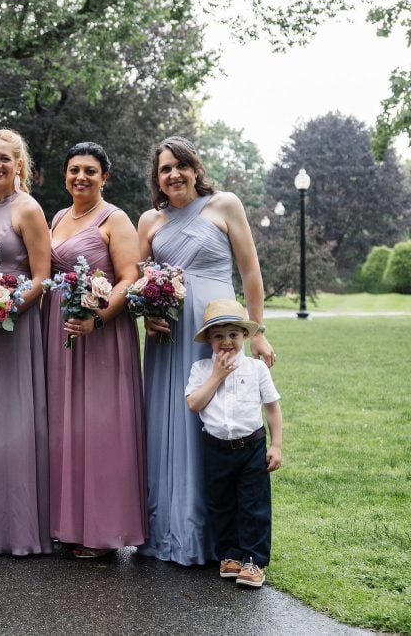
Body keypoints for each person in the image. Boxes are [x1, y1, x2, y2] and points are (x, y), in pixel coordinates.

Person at [137, 136, 276, 566]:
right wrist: (146, 315)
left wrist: (257, 332)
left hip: (216, 327)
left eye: (180, 165)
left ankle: (220, 539)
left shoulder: (225, 205)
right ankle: (167, 530)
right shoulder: (149, 221)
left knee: (219, 419)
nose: (173, 174)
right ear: (156, 178)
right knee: (171, 420)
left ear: (195, 168)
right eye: (164, 168)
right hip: (169, 335)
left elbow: (250, 271)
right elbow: (138, 279)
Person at [42, 142, 147, 558]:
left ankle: (103, 531)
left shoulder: (115, 219)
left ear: (105, 177)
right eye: (73, 170)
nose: (80, 177)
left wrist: (98, 317)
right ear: (65, 176)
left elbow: (128, 278)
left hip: (103, 334)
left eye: (89, 170)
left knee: (102, 428)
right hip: (61, 331)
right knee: (67, 425)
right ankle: (69, 523)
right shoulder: (58, 217)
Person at [0, 129, 52, 556]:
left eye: (4, 158)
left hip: (18, 330)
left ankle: (18, 529)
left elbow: (42, 277)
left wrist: (7, 310)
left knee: (16, 425)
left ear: (20, 164)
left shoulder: (29, 209)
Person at [185, 299, 283, 588]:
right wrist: (217, 376)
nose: (226, 341)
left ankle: (254, 559)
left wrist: (276, 445)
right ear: (209, 340)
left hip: (251, 447)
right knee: (221, 504)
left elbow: (273, 408)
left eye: (233, 335)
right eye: (218, 336)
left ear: (244, 336)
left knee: (254, 505)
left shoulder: (256, 369)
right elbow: (194, 404)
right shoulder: (201, 369)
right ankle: (230, 554)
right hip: (216, 448)